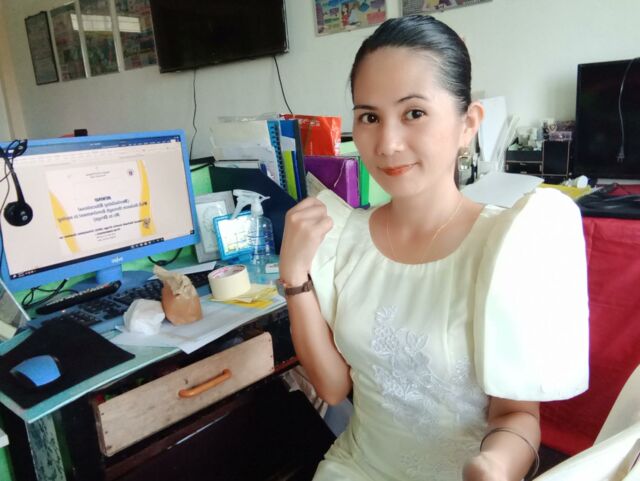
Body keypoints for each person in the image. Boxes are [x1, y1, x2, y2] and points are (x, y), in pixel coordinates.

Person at [279, 15, 589, 481]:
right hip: (358, 467)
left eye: (414, 113)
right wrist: (294, 278)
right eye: (369, 117)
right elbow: (333, 388)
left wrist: (495, 466)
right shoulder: (342, 239)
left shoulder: (506, 247)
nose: (387, 144)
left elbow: (517, 415)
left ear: (468, 124)